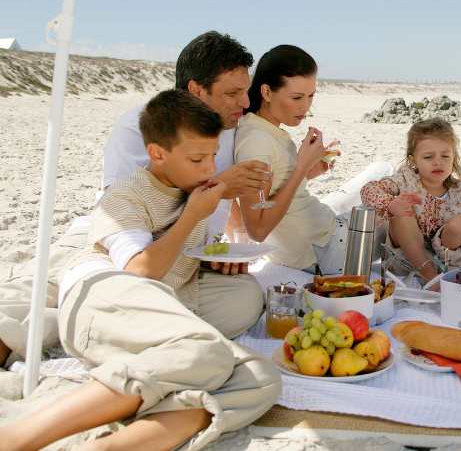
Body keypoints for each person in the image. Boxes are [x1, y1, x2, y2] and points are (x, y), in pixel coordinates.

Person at [0, 90, 280, 451]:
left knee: (260, 378)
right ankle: (16, 438)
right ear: (157, 154)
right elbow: (138, 272)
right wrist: (194, 214)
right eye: (197, 158)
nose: (211, 169)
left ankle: (109, 446)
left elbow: (177, 255)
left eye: (213, 156)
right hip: (104, 289)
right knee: (206, 350)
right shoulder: (124, 198)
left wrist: (211, 256)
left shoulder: (193, 187)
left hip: (159, 302)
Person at [0, 31, 270, 370]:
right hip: (113, 244)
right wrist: (217, 188)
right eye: (233, 93)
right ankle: (60, 329)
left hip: (181, 260)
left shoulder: (231, 130)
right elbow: (129, 219)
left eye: (245, 91)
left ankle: (91, 330)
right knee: (42, 293)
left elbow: (219, 218)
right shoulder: (138, 130)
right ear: (197, 91)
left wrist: (217, 255)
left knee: (245, 298)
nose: (244, 103)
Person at [235, 45, 392, 274]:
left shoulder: (264, 129)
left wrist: (309, 171)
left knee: (382, 169)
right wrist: (300, 166)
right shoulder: (256, 144)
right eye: (297, 97)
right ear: (267, 92)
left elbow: (274, 187)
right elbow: (257, 229)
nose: (305, 106)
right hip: (328, 251)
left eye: (311, 96)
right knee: (404, 219)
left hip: (323, 229)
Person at [360, 117, 461, 291]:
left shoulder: (460, 192)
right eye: (428, 157)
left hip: (448, 261)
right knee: (403, 213)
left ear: (454, 158)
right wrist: (391, 204)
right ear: (413, 160)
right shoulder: (404, 181)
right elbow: (368, 190)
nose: (438, 162)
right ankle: (432, 280)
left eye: (445, 156)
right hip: (407, 259)